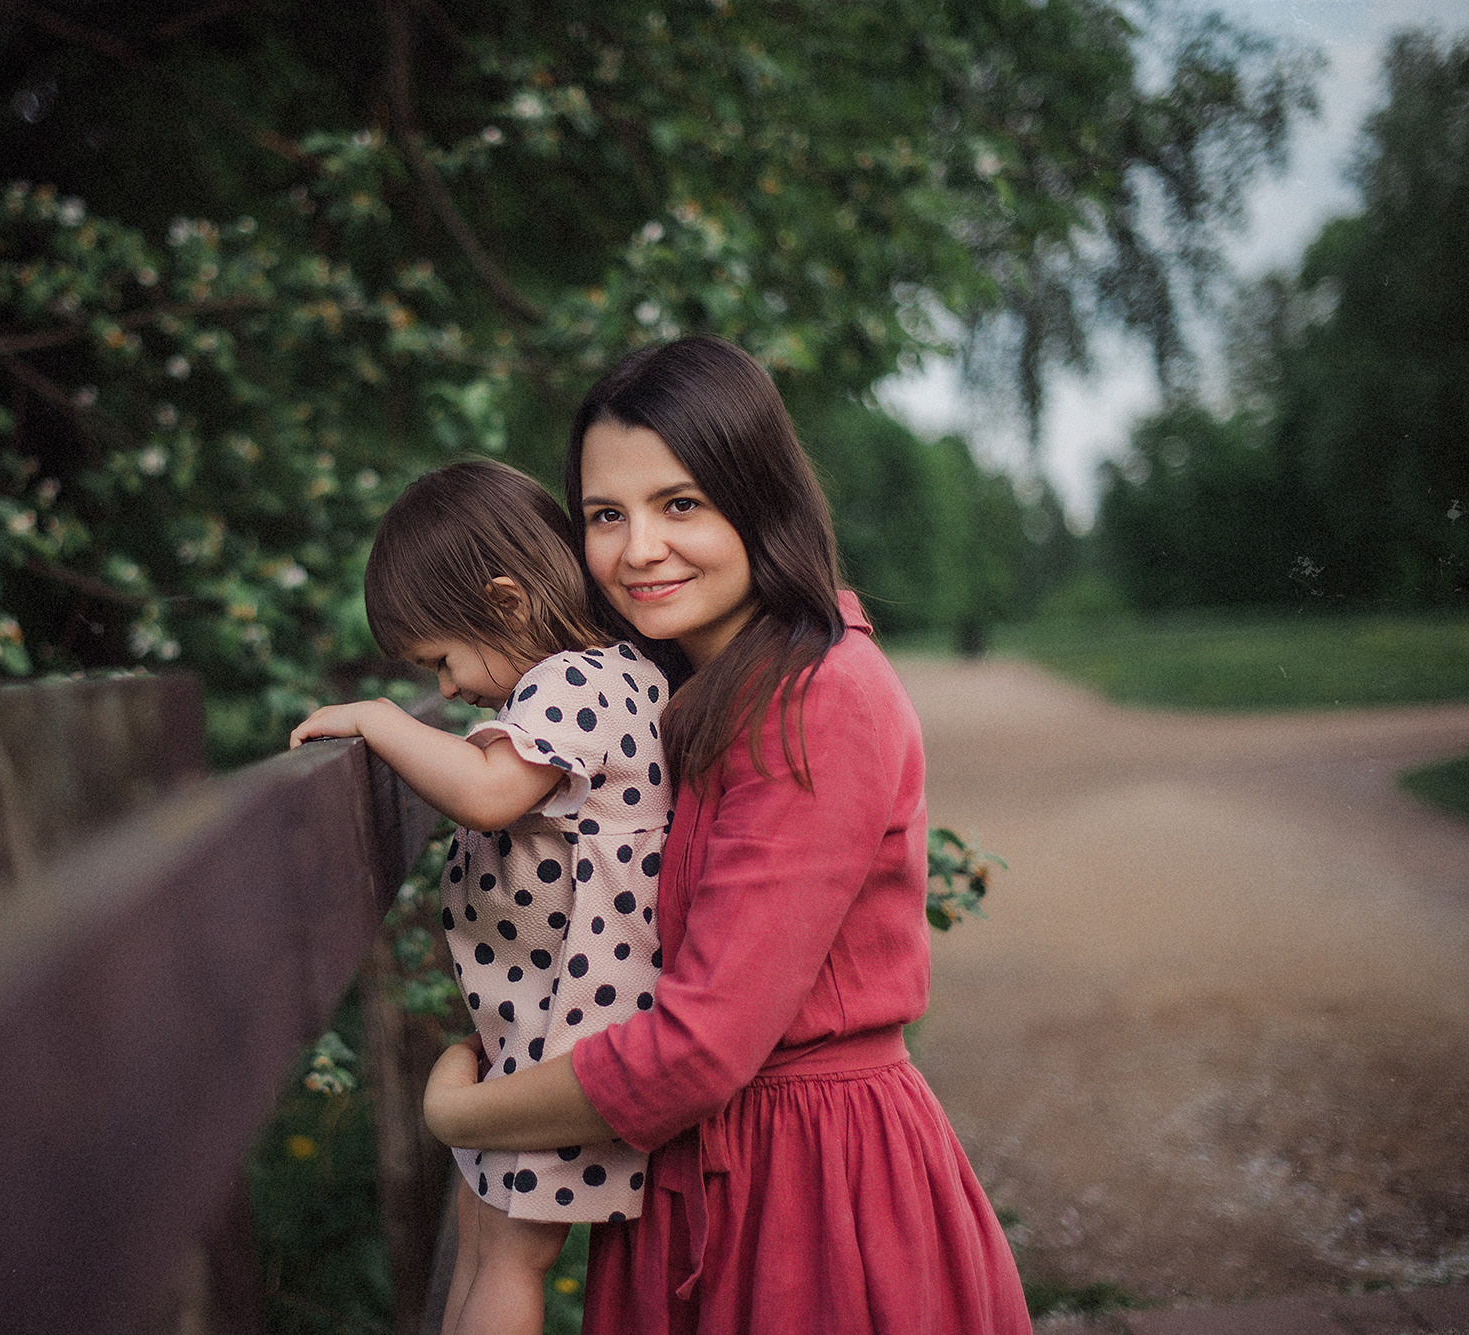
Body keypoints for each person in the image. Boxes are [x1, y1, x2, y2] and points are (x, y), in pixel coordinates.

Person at [420, 337, 1033, 1333]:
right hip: (707, 1176)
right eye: (603, 516)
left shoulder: (816, 700)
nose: (636, 551)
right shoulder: (685, 693)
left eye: (681, 504)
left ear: (758, 500)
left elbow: (700, 1048)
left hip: (808, 1192)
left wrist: (459, 1115)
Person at [290, 458, 675, 1335]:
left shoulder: (577, 683)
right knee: (480, 1230)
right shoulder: (598, 676)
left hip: (573, 1034)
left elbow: (485, 793)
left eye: (442, 661)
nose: (451, 689)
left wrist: (381, 718)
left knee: (510, 1254)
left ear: (505, 602)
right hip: (542, 1026)